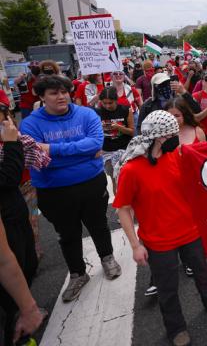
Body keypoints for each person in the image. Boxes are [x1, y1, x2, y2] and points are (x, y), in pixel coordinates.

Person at [114, 111, 207, 346]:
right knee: (167, 288)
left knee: (203, 271)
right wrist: (135, 246)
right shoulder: (131, 170)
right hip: (159, 241)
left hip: (190, 231)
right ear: (159, 138)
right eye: (172, 134)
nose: (177, 138)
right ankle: (176, 328)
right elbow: (123, 210)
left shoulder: (175, 155)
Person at [19, 75, 121, 303]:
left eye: (64, 91)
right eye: (54, 93)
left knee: (99, 225)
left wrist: (51, 150)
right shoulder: (30, 124)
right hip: (53, 190)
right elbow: (37, 159)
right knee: (67, 234)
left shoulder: (86, 114)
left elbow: (96, 144)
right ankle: (78, 273)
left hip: (91, 183)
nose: (61, 96)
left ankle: (107, 258)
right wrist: (80, 154)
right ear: (42, 97)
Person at [0, 115, 45, 345]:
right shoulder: (10, 140)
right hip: (7, 219)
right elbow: (8, 177)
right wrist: (10, 143)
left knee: (28, 262)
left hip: (15, 212)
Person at [97, 87, 134, 193]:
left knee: (123, 178)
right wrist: (100, 128)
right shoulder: (98, 112)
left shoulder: (125, 109)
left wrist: (119, 127)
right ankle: (119, 205)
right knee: (114, 179)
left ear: (116, 100)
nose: (107, 106)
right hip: (106, 150)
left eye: (110, 103)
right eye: (104, 103)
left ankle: (128, 204)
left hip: (123, 148)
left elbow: (131, 131)